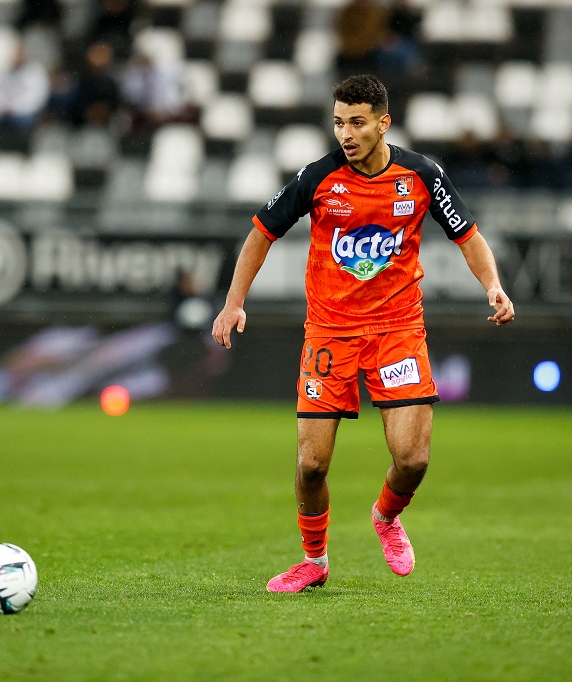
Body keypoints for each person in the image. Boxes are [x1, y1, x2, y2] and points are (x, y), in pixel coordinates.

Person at [211, 75, 516, 593]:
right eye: (338, 123)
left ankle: (386, 516)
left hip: (397, 330)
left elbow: (468, 235)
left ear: (382, 122)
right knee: (311, 466)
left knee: (413, 459)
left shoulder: (420, 175)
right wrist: (233, 302)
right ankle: (314, 562)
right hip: (330, 332)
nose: (345, 134)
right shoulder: (318, 177)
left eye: (356, 122)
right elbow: (260, 233)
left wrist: (493, 286)